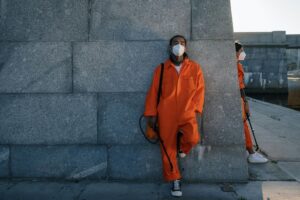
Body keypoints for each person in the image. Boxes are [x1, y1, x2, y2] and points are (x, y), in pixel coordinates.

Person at [144, 35, 205, 197]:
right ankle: (174, 179)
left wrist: (196, 109)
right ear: (169, 47)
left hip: (187, 111)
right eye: (175, 43)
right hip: (166, 113)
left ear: (186, 47)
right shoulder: (161, 69)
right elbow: (153, 92)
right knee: (166, 148)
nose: (179, 45)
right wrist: (151, 114)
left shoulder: (195, 68)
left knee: (193, 138)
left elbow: (200, 90)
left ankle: (182, 147)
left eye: (182, 43)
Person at [235, 41, 268, 163]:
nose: (242, 53)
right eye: (241, 50)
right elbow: (239, 86)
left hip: (240, 99)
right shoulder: (235, 66)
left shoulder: (238, 65)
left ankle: (247, 150)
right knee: (244, 125)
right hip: (237, 99)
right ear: (235, 52)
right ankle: (251, 152)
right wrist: (245, 102)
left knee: (243, 124)